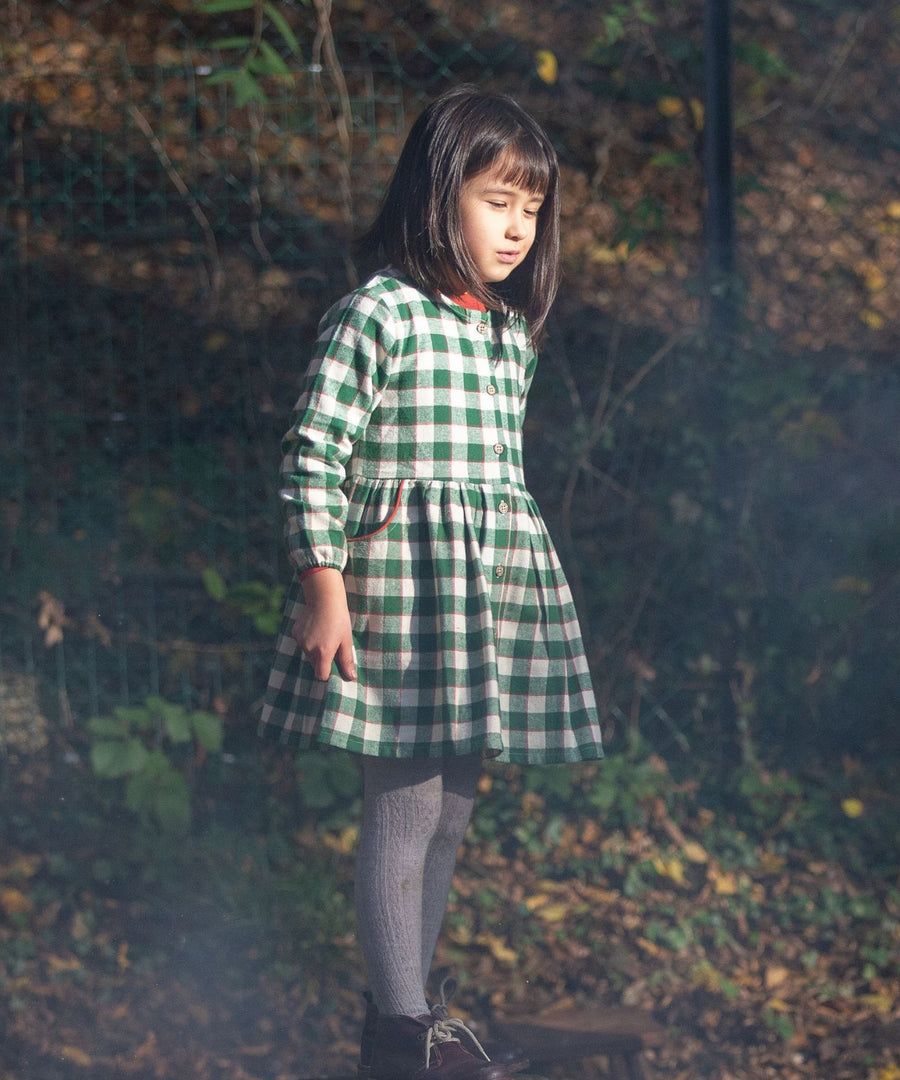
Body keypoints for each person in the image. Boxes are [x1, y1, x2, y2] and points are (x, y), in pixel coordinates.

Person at [259, 84, 603, 1080]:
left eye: (532, 210)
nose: (517, 227)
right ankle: (399, 1035)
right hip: (396, 600)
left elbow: (492, 487)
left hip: (475, 604)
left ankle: (415, 1010)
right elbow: (313, 453)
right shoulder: (378, 311)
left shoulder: (507, 336)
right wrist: (322, 582)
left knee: (452, 810)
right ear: (438, 192)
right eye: (498, 200)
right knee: (403, 805)